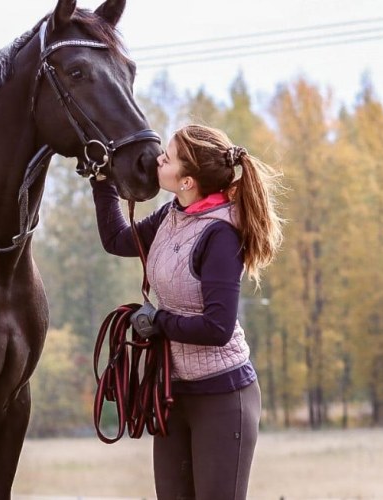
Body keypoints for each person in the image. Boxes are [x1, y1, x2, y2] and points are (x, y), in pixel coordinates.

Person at [91, 124, 285, 499]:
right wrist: (103, 180)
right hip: (173, 392)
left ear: (188, 180)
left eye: (169, 157)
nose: (159, 158)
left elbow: (218, 327)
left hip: (223, 395)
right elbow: (117, 240)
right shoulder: (171, 215)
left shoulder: (220, 234)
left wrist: (158, 322)